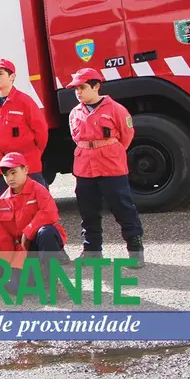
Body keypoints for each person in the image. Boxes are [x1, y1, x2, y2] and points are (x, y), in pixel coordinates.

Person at [66, 68, 144, 267]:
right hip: (84, 167)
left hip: (111, 166)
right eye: (76, 88)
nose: (78, 92)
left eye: (82, 87)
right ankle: (92, 251)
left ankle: (135, 250)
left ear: (96, 86)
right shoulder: (75, 112)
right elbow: (76, 138)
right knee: (87, 210)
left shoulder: (116, 109)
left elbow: (126, 136)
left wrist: (109, 150)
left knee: (122, 207)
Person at [0, 152, 69, 289]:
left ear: (26, 170)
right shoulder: (2, 201)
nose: (10, 178)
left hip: (39, 242)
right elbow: (4, 237)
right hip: (22, 250)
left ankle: (50, 277)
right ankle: (36, 275)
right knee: (17, 287)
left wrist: (28, 231)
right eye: (6, 175)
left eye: (13, 172)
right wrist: (5, 268)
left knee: (46, 232)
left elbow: (50, 214)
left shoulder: (38, 190)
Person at [0, 59, 49, 195]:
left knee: (36, 200)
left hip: (26, 161)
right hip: (1, 163)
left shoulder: (24, 101)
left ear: (12, 77)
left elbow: (41, 131)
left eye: (0, 73)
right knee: (4, 205)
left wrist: (35, 153)